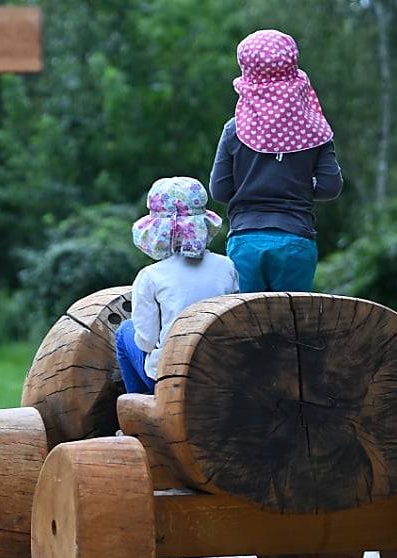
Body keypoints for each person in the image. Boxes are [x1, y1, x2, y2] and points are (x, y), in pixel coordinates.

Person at [210, 29, 343, 293]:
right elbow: (330, 186)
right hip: (296, 240)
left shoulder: (233, 130)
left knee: (247, 326)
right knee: (291, 327)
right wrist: (301, 187)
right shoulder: (314, 129)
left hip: (245, 241)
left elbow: (220, 191)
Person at [115, 177, 239, 394]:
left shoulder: (150, 276)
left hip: (171, 381)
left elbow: (145, 342)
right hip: (222, 372)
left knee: (125, 331)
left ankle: (142, 405)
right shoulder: (227, 266)